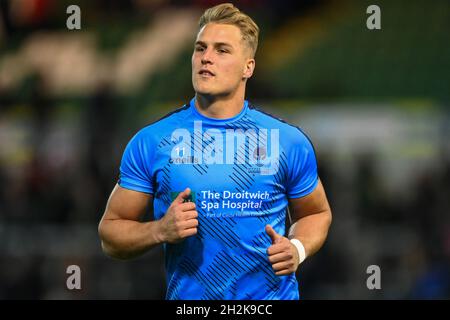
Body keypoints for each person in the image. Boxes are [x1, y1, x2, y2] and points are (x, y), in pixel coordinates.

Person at [98, 3, 332, 300]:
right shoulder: (153, 141)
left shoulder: (287, 141)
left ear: (248, 67)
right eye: (200, 48)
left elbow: (317, 212)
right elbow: (110, 233)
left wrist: (297, 248)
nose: (206, 58)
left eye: (222, 50)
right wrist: (159, 231)